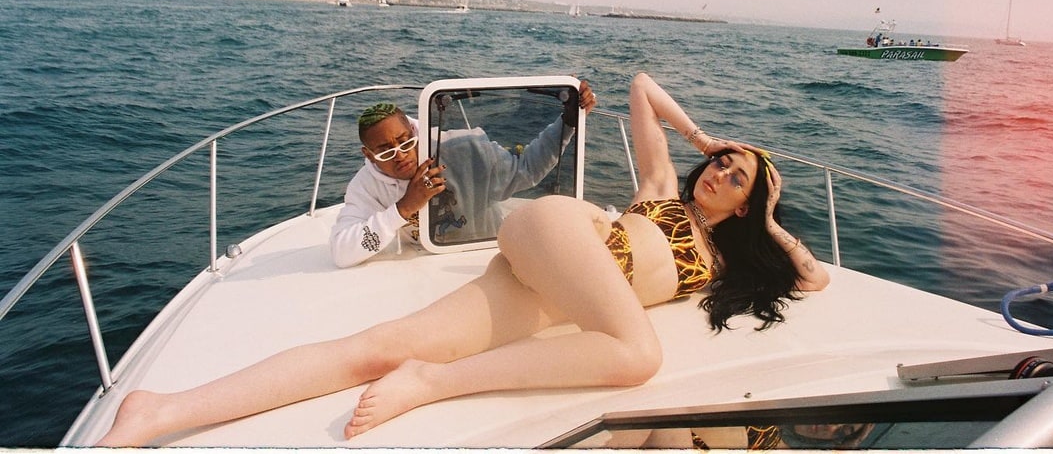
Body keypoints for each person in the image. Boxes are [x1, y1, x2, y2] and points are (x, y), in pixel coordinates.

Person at [94, 72, 828, 446]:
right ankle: (433, 383)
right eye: (721, 162)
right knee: (638, 356)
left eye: (736, 176)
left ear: (749, 206)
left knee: (375, 348)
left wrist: (768, 212)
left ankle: (161, 409)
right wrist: (703, 138)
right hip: (567, 237)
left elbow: (813, 276)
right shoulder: (663, 186)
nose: (719, 172)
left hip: (556, 293)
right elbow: (640, 87)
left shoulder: (731, 251)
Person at [331, 79, 597, 267]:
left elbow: (526, 170)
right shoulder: (365, 186)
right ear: (369, 155)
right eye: (385, 152)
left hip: (485, 253)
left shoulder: (462, 147)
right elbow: (342, 252)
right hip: (424, 264)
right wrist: (404, 208)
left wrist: (568, 121)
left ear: (414, 131)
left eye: (405, 142)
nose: (400, 155)